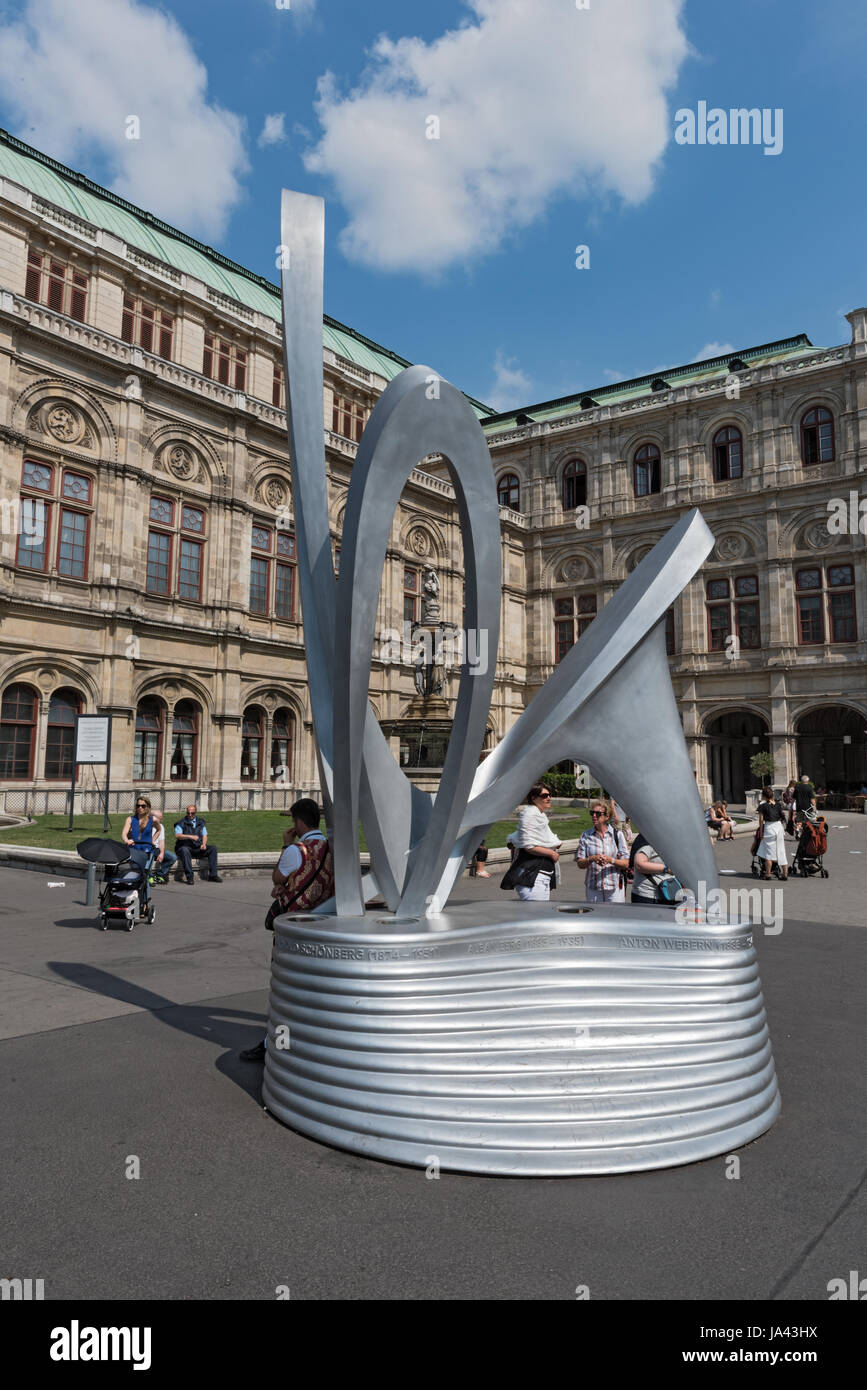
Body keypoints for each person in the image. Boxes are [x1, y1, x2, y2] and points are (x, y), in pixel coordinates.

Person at [240, 799, 334, 1063]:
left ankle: (275, 1044)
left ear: (299, 822)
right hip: (321, 926)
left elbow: (277, 877)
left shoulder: (297, 849)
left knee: (284, 989)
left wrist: (285, 843)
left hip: (292, 928)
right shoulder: (329, 848)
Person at [509, 784, 561, 902]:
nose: (548, 798)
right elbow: (528, 845)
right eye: (544, 795)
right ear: (533, 798)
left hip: (540, 874)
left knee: (540, 915)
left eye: (549, 795)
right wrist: (551, 853)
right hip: (532, 875)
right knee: (537, 915)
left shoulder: (539, 815)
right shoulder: (530, 814)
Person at [575, 799, 630, 903]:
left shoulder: (617, 835)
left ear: (607, 817)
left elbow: (626, 863)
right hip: (593, 887)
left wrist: (610, 860)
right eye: (592, 813)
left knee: (614, 917)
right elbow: (580, 864)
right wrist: (592, 859)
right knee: (594, 918)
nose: (594, 816)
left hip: (614, 887)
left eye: (598, 814)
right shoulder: (586, 835)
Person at [121, 796, 159, 900]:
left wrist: (152, 840)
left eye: (143, 806)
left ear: (148, 807)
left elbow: (159, 829)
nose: (140, 808)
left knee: (144, 877)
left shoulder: (153, 819)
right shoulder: (130, 819)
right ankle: (131, 898)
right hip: (134, 851)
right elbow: (124, 833)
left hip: (147, 852)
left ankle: (144, 902)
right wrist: (127, 840)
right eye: (138, 806)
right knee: (133, 875)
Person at [174, 804, 221, 883]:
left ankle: (213, 875)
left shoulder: (200, 822)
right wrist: (190, 836)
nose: (190, 815)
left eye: (192, 813)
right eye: (188, 813)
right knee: (184, 850)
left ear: (195, 813)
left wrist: (204, 844)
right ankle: (190, 877)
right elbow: (178, 835)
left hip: (197, 847)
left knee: (213, 848)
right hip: (185, 847)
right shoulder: (181, 823)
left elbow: (205, 835)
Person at [629, 834, 679, 907]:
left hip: (669, 894)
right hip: (648, 896)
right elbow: (639, 864)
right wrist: (666, 869)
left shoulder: (672, 836)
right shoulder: (647, 836)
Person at [756, 785, 788, 879]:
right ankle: (785, 874)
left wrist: (761, 833)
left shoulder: (762, 806)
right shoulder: (778, 804)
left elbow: (761, 821)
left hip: (769, 828)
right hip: (778, 827)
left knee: (769, 853)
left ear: (764, 795)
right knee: (781, 851)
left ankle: (768, 874)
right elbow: (782, 816)